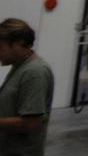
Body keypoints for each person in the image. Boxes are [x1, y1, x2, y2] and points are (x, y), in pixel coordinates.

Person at [0, 19, 53, 156]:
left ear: (19, 43)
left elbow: (31, 123)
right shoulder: (19, 67)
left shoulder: (34, 72)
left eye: (0, 47)